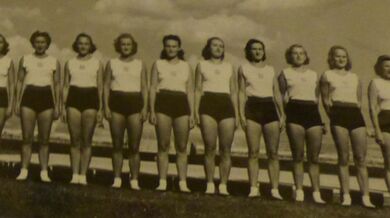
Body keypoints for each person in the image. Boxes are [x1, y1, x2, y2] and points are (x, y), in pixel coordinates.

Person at [320, 46, 374, 208]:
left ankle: (365, 196)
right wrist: (333, 117)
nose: (341, 59)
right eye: (337, 56)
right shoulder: (326, 75)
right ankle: (346, 196)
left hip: (355, 116)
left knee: (361, 158)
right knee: (343, 157)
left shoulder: (355, 77)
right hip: (338, 114)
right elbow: (325, 101)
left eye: (344, 56)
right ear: (332, 58)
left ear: (347, 58)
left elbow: (358, 102)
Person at [278, 44, 325, 203]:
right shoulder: (285, 73)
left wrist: (321, 119)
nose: (298, 56)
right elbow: (282, 97)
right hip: (294, 112)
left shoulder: (314, 74)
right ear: (289, 56)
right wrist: (285, 116)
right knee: (297, 156)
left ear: (306, 56)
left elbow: (317, 98)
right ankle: (299, 190)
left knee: (314, 157)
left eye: (301, 53)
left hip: (312, 114)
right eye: (294, 53)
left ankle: (316, 193)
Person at [238, 39, 284, 199]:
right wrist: (241, 114)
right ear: (248, 51)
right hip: (252, 107)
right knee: (253, 152)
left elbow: (277, 92)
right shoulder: (243, 68)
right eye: (254, 49)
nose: (257, 52)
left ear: (264, 52)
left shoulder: (271, 69)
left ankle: (275, 189)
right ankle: (253, 187)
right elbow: (242, 93)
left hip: (269, 108)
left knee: (273, 152)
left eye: (260, 49)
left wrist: (282, 114)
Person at [149, 35, 195, 192]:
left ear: (179, 48)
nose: (171, 49)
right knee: (163, 145)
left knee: (182, 146)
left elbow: (190, 90)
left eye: (174, 46)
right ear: (164, 47)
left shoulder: (186, 66)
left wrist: (192, 113)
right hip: (163, 103)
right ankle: (162, 181)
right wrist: (152, 110)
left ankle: (183, 182)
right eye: (168, 46)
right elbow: (152, 87)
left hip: (181, 104)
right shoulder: (158, 64)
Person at [195, 37, 239, 195]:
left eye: (221, 46)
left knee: (226, 149)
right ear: (208, 47)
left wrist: (237, 114)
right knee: (210, 147)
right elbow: (198, 90)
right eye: (215, 45)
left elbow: (234, 92)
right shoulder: (202, 65)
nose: (218, 48)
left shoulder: (229, 67)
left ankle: (223, 185)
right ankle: (209, 183)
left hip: (226, 105)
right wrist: (196, 112)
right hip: (207, 104)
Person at [103, 33, 148, 189]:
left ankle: (134, 180)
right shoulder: (112, 63)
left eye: (129, 44)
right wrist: (106, 107)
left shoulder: (140, 64)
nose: (126, 47)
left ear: (133, 46)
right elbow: (106, 86)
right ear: (118, 46)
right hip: (116, 103)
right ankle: (117, 178)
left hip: (135, 103)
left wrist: (145, 108)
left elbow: (144, 87)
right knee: (117, 145)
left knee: (134, 146)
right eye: (123, 44)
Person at [15, 31, 61, 182]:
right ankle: (23, 170)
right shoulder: (26, 59)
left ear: (47, 44)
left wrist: (57, 105)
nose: (40, 45)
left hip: (46, 98)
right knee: (27, 138)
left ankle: (44, 172)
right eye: (37, 42)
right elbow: (20, 82)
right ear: (33, 43)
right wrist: (17, 102)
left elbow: (57, 84)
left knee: (44, 139)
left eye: (43, 42)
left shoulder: (54, 61)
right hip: (28, 97)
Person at [62, 33, 104, 185]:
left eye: (86, 43)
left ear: (90, 46)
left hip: (90, 99)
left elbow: (100, 87)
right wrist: (62, 106)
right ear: (76, 45)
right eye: (80, 43)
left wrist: (100, 109)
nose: (83, 46)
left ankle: (83, 175)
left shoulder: (97, 63)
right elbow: (66, 86)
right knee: (75, 140)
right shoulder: (70, 62)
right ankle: (74, 175)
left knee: (87, 141)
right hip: (73, 99)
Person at [369, 55, 390, 200]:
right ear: (379, 68)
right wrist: (376, 130)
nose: (389, 69)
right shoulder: (376, 83)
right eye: (386, 66)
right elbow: (372, 107)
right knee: (389, 161)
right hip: (385, 123)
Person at [0, 34, 15, 145]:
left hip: (2, 94)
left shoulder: (8, 61)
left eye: (0, 42)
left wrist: (10, 105)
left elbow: (11, 84)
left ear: (4, 45)